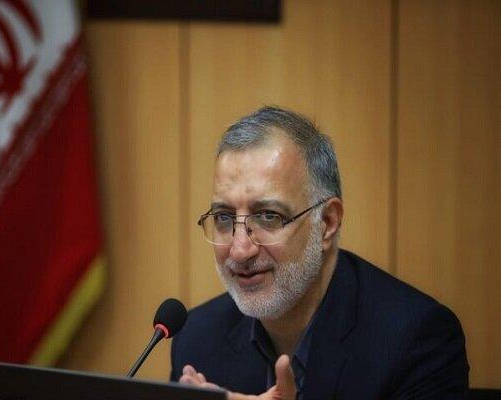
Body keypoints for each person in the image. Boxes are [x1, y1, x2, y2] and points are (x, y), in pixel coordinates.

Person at [170, 106, 469, 399]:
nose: (239, 250)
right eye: (224, 217)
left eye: (269, 216)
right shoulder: (196, 339)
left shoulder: (416, 339)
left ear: (327, 222)